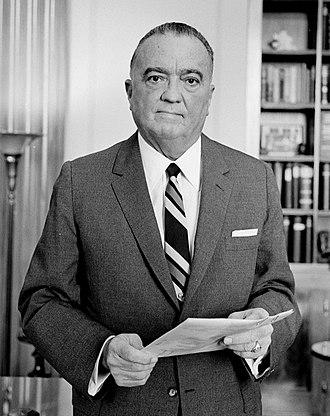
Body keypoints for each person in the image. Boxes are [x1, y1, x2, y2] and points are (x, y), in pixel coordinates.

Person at [19, 22, 301, 416]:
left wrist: (263, 329)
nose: (173, 94)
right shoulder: (80, 181)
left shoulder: (254, 180)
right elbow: (42, 300)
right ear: (130, 91)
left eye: (190, 79)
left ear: (209, 96)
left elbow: (278, 292)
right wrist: (101, 352)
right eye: (155, 77)